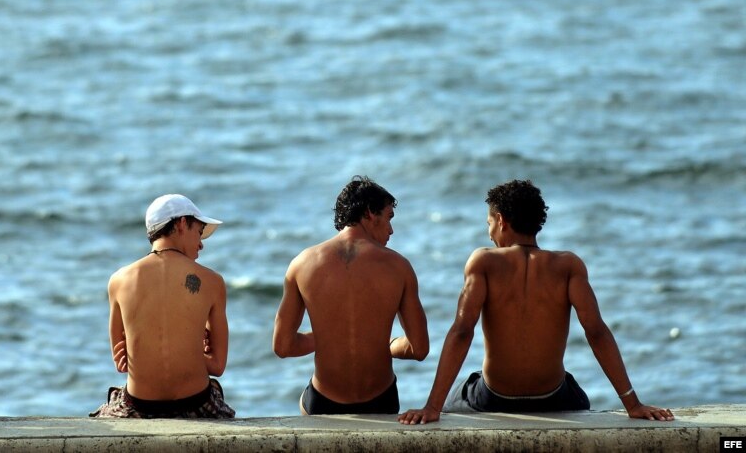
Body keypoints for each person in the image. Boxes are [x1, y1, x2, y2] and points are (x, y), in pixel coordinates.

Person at [400, 179, 674, 424]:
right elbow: (597, 331)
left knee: (455, 398)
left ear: (501, 220)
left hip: (494, 397)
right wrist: (632, 404)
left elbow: (462, 331)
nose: (490, 234)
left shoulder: (483, 262)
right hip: (553, 397)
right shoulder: (568, 265)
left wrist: (432, 406)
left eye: (489, 225)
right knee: (578, 395)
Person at [273, 175, 429, 415]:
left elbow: (283, 346)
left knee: (303, 404)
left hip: (323, 401)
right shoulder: (399, 267)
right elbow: (419, 349)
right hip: (381, 400)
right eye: (388, 218)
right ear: (369, 213)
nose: (391, 230)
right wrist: (383, 344)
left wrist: (329, 337)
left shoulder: (301, 264)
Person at [90, 194, 235, 418]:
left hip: (138, 407)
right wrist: (191, 352)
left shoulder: (118, 280)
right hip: (195, 405)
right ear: (181, 224)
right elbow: (217, 365)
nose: (201, 244)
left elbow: (121, 363)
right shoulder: (212, 281)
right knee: (214, 388)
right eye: (198, 231)